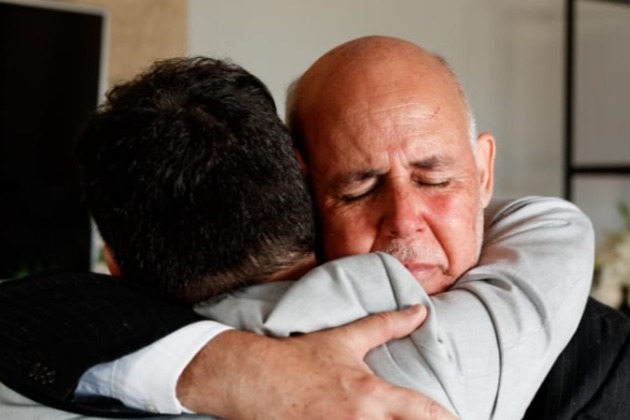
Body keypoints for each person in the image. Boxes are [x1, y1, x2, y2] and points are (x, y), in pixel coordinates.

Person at [0, 36, 625, 419]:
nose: (405, 221)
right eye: (358, 189)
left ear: (485, 172)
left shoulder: (602, 357)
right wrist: (246, 372)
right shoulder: (156, 322)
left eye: (436, 180)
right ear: (301, 190)